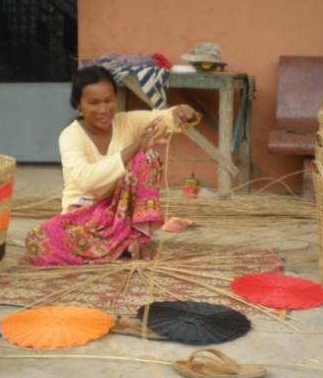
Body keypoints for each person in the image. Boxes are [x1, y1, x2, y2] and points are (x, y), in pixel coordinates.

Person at [25, 66, 200, 266]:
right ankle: (123, 243)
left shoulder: (126, 122)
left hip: (123, 214)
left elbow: (161, 119)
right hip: (85, 217)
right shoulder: (70, 136)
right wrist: (134, 146)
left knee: (147, 157)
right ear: (79, 107)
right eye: (94, 103)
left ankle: (138, 239)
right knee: (38, 243)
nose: (103, 109)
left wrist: (179, 112)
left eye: (108, 100)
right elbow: (87, 180)